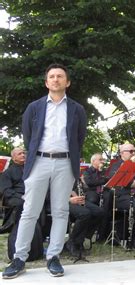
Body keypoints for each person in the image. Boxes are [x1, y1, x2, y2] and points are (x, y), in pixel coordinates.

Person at [2, 63, 87, 279]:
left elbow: (79, 138)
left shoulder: (77, 109)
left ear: (67, 82)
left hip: (65, 163)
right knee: (29, 210)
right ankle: (19, 258)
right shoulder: (34, 107)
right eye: (52, 76)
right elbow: (29, 137)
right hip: (39, 161)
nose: (56, 79)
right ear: (46, 82)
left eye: (60, 76)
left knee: (60, 211)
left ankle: (54, 257)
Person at [107, 143, 135, 249]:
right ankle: (133, 238)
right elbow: (127, 182)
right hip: (122, 196)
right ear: (122, 153)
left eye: (134, 151)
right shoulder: (116, 165)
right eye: (130, 151)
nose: (133, 153)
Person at [64, 181, 105, 258]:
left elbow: (71, 188)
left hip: (73, 199)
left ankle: (80, 239)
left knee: (99, 212)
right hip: (61, 202)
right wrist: (69, 199)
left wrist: (78, 198)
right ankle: (74, 243)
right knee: (84, 213)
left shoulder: (71, 172)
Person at [82, 153, 112, 241]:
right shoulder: (87, 171)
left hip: (104, 192)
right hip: (92, 192)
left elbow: (110, 180)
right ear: (93, 161)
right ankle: (88, 232)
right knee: (93, 199)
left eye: (103, 159)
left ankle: (102, 235)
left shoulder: (104, 171)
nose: (102, 161)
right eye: (100, 159)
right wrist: (102, 179)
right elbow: (90, 183)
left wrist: (101, 173)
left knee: (109, 200)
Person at [0, 148, 26, 233]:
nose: (23, 155)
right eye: (20, 154)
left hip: (30, 194)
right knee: (21, 203)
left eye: (23, 153)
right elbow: (5, 190)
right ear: (14, 158)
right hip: (14, 196)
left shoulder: (30, 169)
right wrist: (21, 196)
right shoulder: (8, 172)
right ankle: (13, 228)